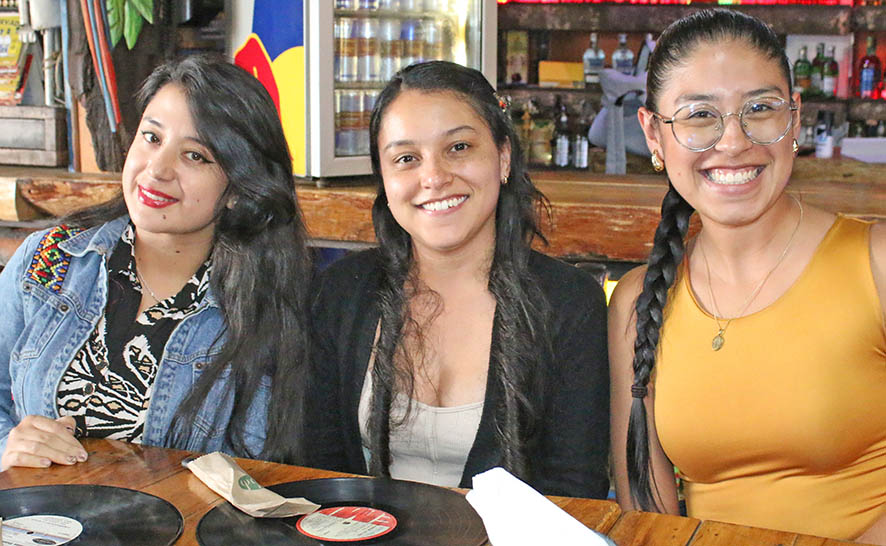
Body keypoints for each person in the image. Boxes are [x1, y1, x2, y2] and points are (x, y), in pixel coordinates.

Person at [608, 9, 886, 543]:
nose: (733, 141)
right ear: (654, 136)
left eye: (759, 108)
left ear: (796, 118)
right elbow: (646, 511)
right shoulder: (639, 300)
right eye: (698, 115)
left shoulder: (873, 262)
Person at [306, 61, 609, 498]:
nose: (433, 177)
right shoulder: (339, 292)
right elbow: (317, 470)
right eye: (406, 158)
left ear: (503, 157)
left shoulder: (569, 303)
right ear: (384, 179)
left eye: (459, 147)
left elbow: (574, 489)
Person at [0, 54, 312, 469]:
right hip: (43, 526)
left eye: (195, 156)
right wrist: (9, 446)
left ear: (240, 187)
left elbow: (275, 473)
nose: (158, 169)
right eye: (151, 138)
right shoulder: (49, 259)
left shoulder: (273, 306)